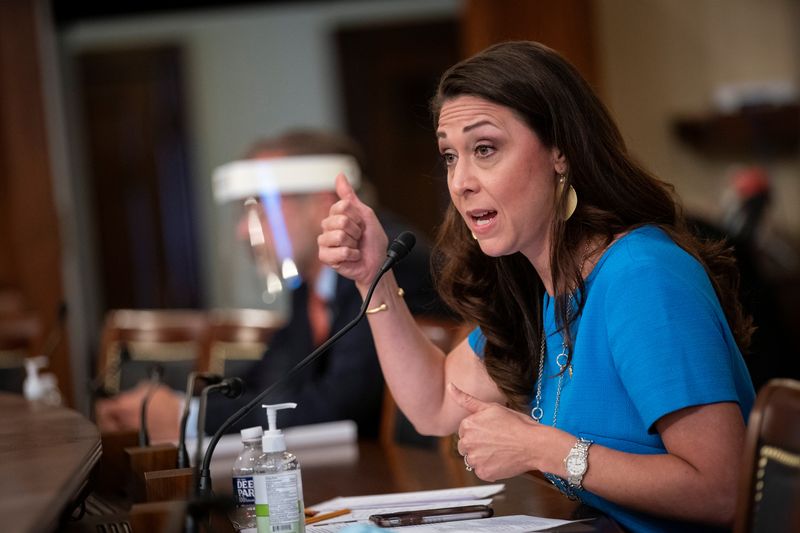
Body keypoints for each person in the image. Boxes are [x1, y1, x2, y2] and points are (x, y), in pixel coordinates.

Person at [318, 41, 756, 532]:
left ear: (560, 153)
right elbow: (437, 403)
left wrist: (541, 447)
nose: (460, 181)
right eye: (449, 156)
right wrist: (372, 277)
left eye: (484, 149)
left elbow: (722, 490)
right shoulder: (544, 287)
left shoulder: (642, 277)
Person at [95, 129, 447, 441]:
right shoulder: (310, 283)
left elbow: (343, 403)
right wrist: (178, 402)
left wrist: (189, 418)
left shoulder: (386, 257)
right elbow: (274, 378)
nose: (242, 231)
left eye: (261, 206)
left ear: (325, 202)